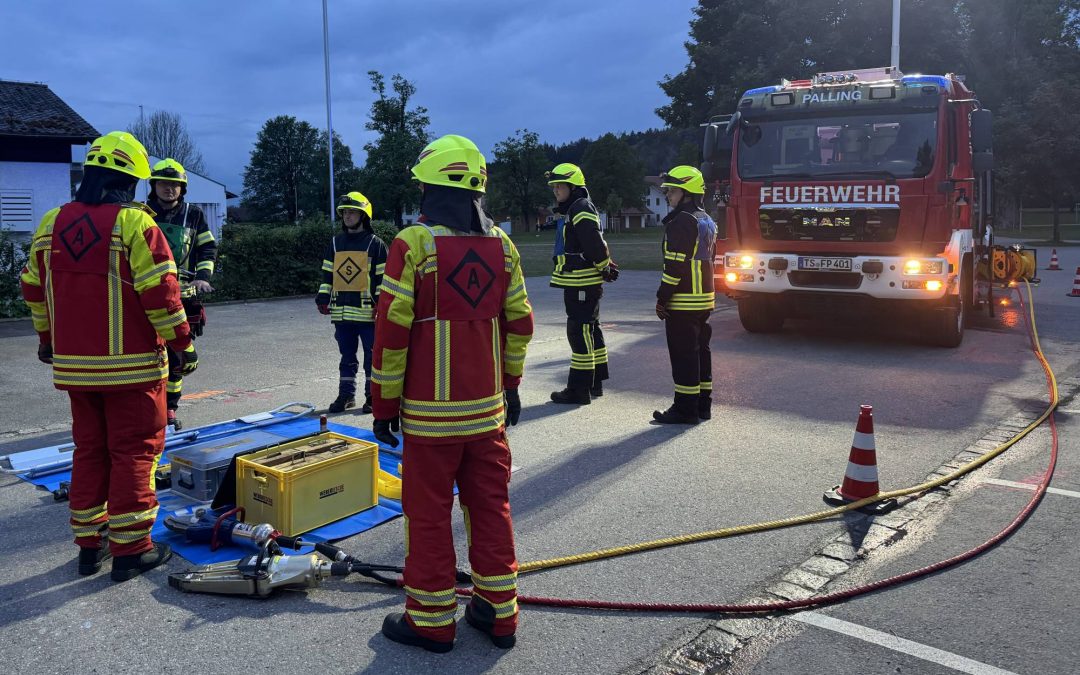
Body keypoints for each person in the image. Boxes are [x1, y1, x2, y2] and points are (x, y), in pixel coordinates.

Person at [370, 134, 533, 652]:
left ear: (430, 187)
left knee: (429, 514)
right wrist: (510, 385)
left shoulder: (412, 245)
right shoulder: (502, 246)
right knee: (491, 508)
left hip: (429, 417)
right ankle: (499, 613)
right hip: (487, 414)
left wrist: (383, 405)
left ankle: (432, 621)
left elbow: (392, 335)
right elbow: (521, 323)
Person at [20, 131, 195, 581]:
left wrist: (47, 338)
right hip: (133, 369)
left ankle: (88, 545)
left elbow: (33, 289)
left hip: (75, 369)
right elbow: (161, 294)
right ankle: (131, 551)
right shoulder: (136, 225)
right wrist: (182, 344)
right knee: (135, 453)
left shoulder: (51, 222)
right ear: (132, 181)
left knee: (90, 452)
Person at [145, 158, 217, 430]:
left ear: (182, 189)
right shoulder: (141, 213)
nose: (169, 189)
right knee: (146, 352)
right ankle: (147, 407)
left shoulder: (193, 214)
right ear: (154, 186)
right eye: (164, 183)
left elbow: (207, 248)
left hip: (182, 296)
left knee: (177, 356)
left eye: (175, 185)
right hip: (145, 294)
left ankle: (170, 409)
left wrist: (202, 277)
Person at [546, 162, 618, 405]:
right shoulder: (577, 208)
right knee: (590, 329)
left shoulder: (580, 208)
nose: (556, 190)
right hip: (582, 281)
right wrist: (604, 266)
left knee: (579, 332)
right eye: (554, 186)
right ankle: (594, 382)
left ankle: (579, 389)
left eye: (560, 185)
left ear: (573, 187)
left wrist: (604, 266)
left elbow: (593, 244)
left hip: (581, 283)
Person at [653, 166, 716, 424]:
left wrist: (662, 297)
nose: (668, 195)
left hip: (683, 299)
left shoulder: (681, 222)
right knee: (701, 352)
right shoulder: (706, 219)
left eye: (672, 190)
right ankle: (702, 405)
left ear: (687, 192)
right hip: (704, 299)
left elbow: (675, 266)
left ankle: (684, 409)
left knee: (683, 355)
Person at [316, 191, 388, 414]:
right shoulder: (336, 243)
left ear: (363, 215)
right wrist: (323, 296)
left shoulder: (375, 244)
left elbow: (382, 278)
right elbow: (327, 273)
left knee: (371, 358)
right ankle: (346, 396)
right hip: (342, 313)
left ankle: (372, 397)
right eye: (345, 213)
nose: (347, 216)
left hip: (368, 313)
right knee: (346, 358)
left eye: (352, 212)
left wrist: (381, 304)